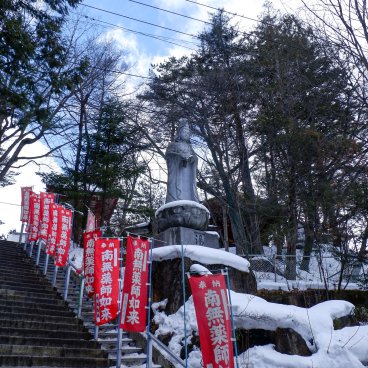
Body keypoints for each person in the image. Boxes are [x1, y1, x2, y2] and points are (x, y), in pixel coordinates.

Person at [165, 120, 200, 203]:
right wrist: (179, 158)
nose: (186, 133)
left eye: (188, 132)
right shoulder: (173, 145)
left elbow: (195, 158)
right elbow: (168, 156)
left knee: (190, 190)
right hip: (177, 174)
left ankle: (191, 199)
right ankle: (175, 200)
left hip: (187, 173)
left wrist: (193, 159)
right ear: (179, 132)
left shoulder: (189, 147)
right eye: (184, 131)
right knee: (176, 191)